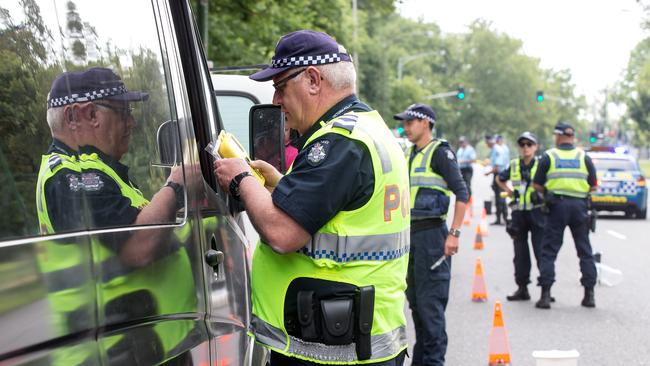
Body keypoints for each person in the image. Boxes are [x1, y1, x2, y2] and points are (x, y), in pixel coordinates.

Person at [214, 30, 410, 365]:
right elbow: (335, 211)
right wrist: (278, 184)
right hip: (358, 340)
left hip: (332, 351)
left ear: (313, 80)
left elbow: (283, 234)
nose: (275, 100)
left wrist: (241, 180)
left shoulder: (336, 143)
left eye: (280, 86)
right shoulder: (366, 129)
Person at [47, 67, 196, 362]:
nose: (132, 121)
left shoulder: (98, 173)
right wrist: (177, 186)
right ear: (82, 115)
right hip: (116, 353)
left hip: (143, 347)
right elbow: (138, 247)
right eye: (122, 110)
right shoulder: (72, 176)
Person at [394, 104, 468, 366]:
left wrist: (454, 234)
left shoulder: (440, 153)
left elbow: (462, 193)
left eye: (410, 122)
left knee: (430, 310)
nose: (406, 127)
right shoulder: (410, 154)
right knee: (415, 305)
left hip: (432, 238)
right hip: (411, 239)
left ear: (425, 123)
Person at [533, 121, 598, 309]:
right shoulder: (583, 157)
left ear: (559, 136)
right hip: (579, 207)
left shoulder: (549, 156)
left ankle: (545, 295)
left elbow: (537, 184)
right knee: (585, 251)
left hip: (556, 206)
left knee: (549, 251)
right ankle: (589, 295)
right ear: (572, 136)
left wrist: (549, 191)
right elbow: (593, 185)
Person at [497, 132, 546, 301]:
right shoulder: (514, 164)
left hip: (537, 212)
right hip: (519, 212)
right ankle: (522, 288)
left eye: (529, 144)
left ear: (535, 146)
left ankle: (545, 290)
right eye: (522, 144)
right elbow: (500, 178)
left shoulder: (541, 163)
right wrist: (509, 191)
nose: (525, 147)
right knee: (520, 253)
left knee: (541, 251)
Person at [484, 135, 508, 224]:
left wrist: (488, 172)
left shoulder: (497, 149)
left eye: (487, 143)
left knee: (500, 197)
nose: (487, 145)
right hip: (498, 174)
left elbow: (497, 167)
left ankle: (503, 218)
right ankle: (500, 218)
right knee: (499, 197)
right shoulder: (495, 149)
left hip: (500, 175)